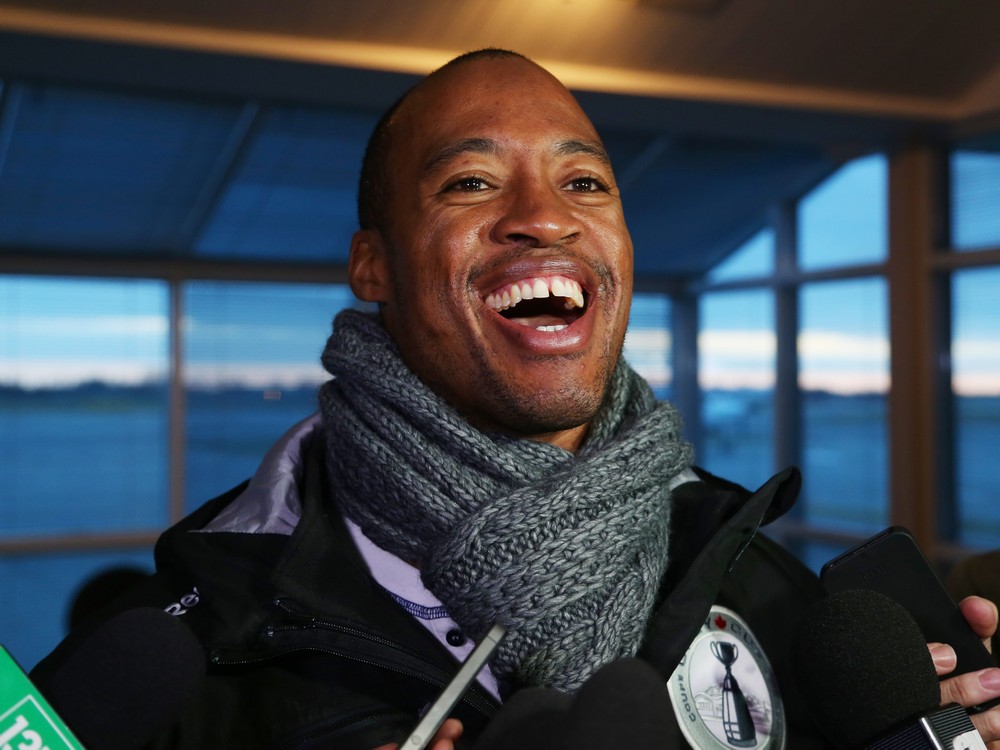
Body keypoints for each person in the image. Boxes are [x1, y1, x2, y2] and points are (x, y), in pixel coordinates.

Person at [32, 49, 1000, 749]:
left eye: (584, 181)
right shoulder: (186, 655)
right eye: (469, 182)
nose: (544, 217)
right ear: (373, 264)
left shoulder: (751, 573)